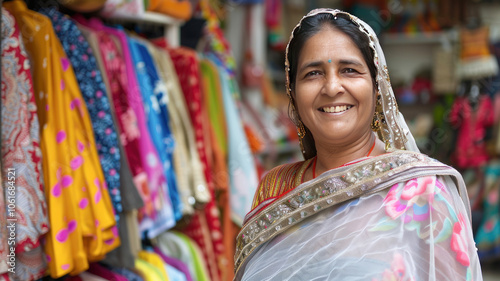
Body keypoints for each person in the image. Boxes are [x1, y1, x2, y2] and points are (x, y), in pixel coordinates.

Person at [234, 8, 482, 281]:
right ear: (292, 92)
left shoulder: (424, 193)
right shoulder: (275, 188)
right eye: (313, 73)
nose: (331, 87)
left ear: (377, 86)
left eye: (349, 70)